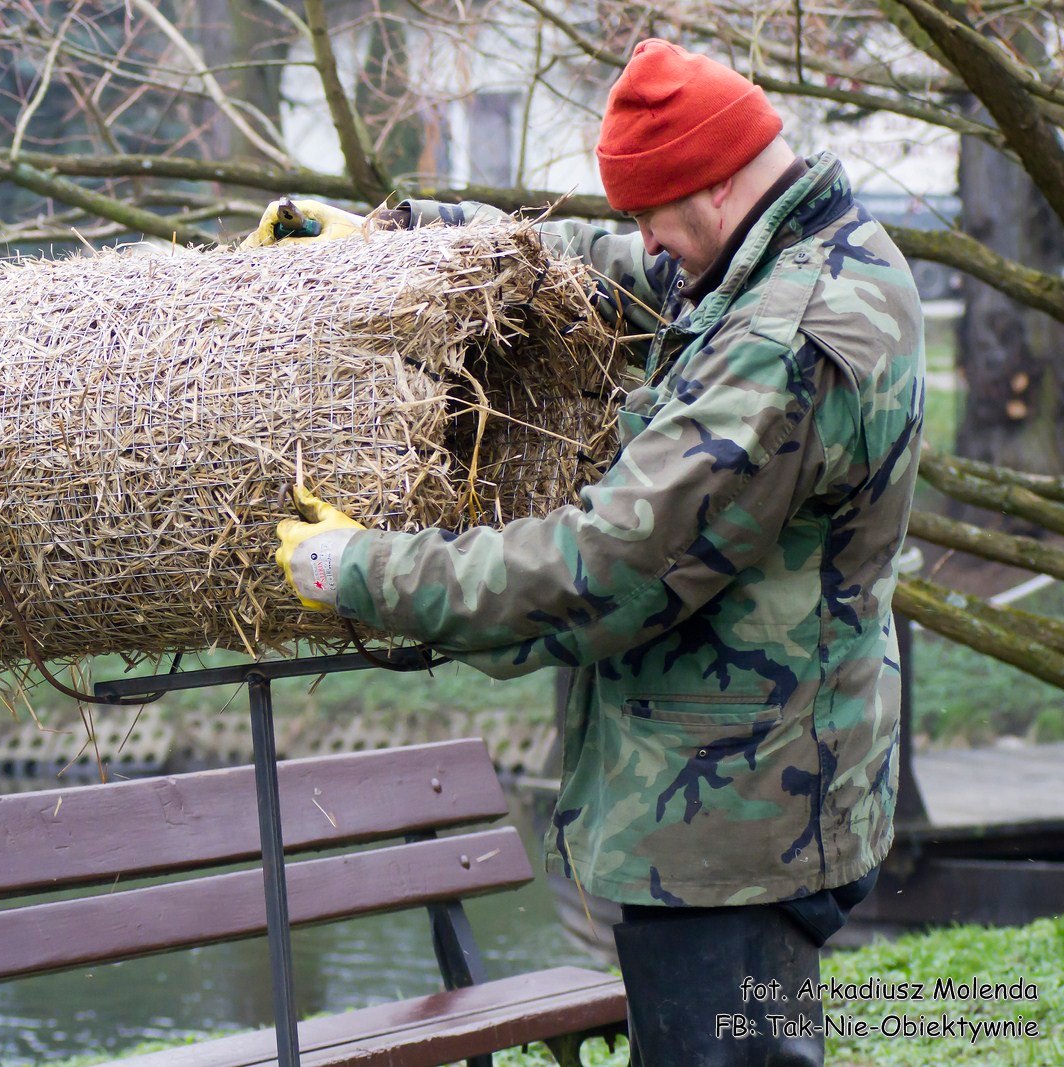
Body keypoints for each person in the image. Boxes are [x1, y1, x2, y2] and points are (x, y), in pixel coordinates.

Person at [261, 39, 924, 1065]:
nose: (645, 238)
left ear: (710, 184)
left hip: (735, 813)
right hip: (750, 784)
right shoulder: (797, 253)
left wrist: (354, 568)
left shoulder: (781, 343)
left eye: (653, 209)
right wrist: (394, 243)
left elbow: (601, 568)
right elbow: (588, 269)